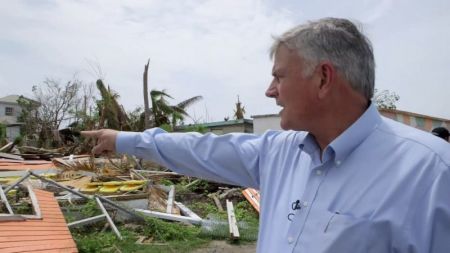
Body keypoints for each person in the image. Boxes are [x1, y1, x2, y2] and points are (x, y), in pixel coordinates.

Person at [82, 18, 450, 253]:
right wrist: (122, 139)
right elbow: (199, 149)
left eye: (279, 76)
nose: (270, 91)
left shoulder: (430, 173)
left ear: (323, 78)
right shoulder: (279, 153)